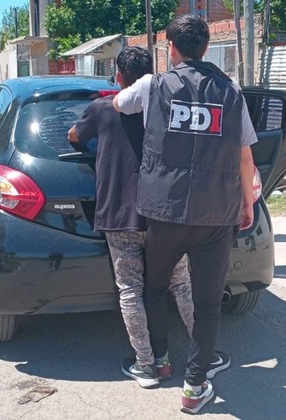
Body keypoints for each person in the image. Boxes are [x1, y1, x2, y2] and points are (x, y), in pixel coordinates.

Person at [113, 16, 257, 414]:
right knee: (208, 302)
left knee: (155, 287)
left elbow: (118, 103)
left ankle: (160, 361)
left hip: (166, 213)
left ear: (171, 49)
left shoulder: (152, 85)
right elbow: (245, 155)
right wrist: (246, 204)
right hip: (216, 215)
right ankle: (195, 386)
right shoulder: (231, 91)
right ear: (206, 48)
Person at [67, 46, 194, 389]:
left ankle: (146, 365)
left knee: (130, 289)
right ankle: (203, 356)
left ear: (118, 77)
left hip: (119, 214)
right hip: (164, 214)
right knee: (181, 284)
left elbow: (74, 136)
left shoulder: (101, 108)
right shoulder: (168, 108)